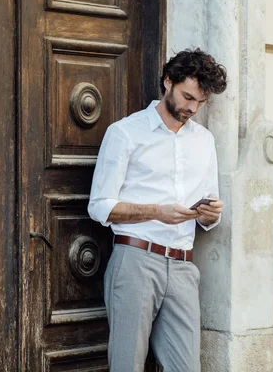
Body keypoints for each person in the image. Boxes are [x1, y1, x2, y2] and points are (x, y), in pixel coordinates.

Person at [88, 48, 227, 372]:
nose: (192, 108)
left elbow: (211, 204)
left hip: (182, 267)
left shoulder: (204, 141)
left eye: (201, 102)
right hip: (136, 260)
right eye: (187, 96)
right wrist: (155, 211)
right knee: (127, 366)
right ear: (168, 82)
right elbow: (99, 206)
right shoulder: (125, 133)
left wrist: (210, 214)